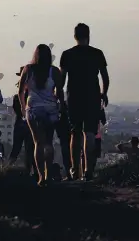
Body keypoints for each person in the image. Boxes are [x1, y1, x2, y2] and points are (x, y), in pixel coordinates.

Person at [59, 23, 109, 181]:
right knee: (90, 134)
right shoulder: (97, 54)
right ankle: (88, 170)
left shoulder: (67, 54)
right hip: (92, 97)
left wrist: (60, 99)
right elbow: (105, 78)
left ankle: (75, 170)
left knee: (75, 133)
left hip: (74, 96)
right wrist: (104, 93)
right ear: (89, 35)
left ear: (75, 36)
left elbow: (61, 80)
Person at [19, 44, 65, 187]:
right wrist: (61, 105)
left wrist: (22, 107)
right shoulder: (54, 71)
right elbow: (60, 91)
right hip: (50, 109)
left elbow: (20, 90)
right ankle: (48, 174)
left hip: (33, 109)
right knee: (49, 142)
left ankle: (40, 177)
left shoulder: (28, 70)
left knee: (37, 143)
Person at [9, 67, 36, 178]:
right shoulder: (32, 93)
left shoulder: (18, 96)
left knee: (17, 148)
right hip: (29, 123)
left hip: (20, 122)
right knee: (30, 149)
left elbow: (16, 109)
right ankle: (33, 172)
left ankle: (8, 168)